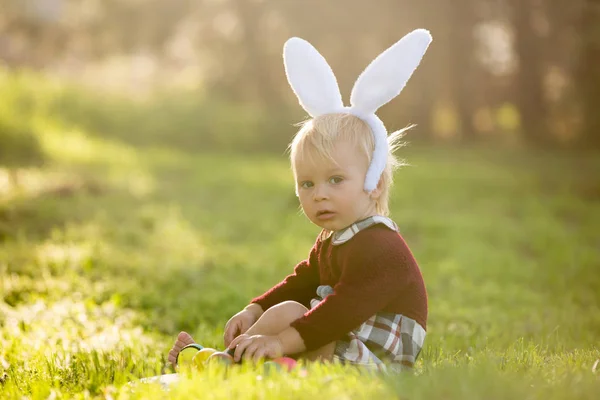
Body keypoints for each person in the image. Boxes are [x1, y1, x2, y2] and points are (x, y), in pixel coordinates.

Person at [168, 29, 432, 373]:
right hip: (341, 340)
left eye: (335, 180)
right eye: (307, 183)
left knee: (293, 315)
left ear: (374, 183)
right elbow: (302, 282)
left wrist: (279, 340)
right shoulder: (335, 240)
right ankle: (241, 362)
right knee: (286, 310)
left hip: (378, 359)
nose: (319, 193)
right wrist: (255, 311)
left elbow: (341, 311)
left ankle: (235, 366)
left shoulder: (381, 246)